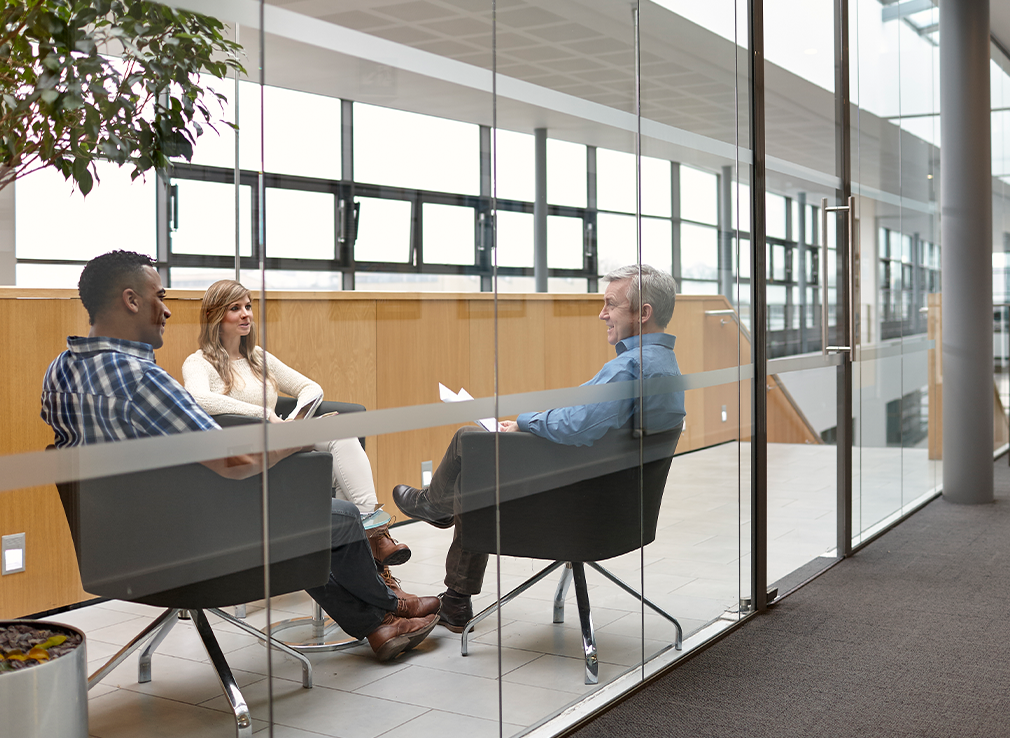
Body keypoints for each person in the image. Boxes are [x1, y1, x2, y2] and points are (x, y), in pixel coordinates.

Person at [40, 250, 439, 662]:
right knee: (338, 516)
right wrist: (298, 438)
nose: (167, 310)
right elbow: (235, 464)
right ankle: (391, 607)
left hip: (113, 548)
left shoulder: (59, 372)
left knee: (299, 516)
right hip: (186, 545)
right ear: (131, 300)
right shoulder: (144, 380)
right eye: (160, 296)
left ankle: (378, 627)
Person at [392, 264, 687, 632]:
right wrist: (527, 424)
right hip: (619, 511)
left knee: (472, 449)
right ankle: (453, 597)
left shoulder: (631, 367)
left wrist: (525, 422)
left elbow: (578, 426)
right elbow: (587, 420)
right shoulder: (666, 366)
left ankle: (434, 506)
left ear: (644, 313)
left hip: (580, 516)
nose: (603, 314)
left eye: (610, 304)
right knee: (483, 462)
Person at [181, 279, 408, 569]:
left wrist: (293, 422)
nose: (246, 314)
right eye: (235, 308)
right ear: (214, 316)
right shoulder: (198, 362)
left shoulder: (258, 357)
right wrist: (264, 414)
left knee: (341, 433)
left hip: (281, 438)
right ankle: (373, 547)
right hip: (248, 456)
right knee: (336, 467)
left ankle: (373, 536)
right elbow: (198, 399)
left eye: (248, 307)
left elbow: (311, 388)